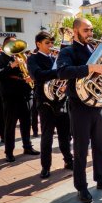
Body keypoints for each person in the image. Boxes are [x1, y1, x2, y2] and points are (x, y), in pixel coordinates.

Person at [57, 18, 102, 203]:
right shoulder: (67, 51)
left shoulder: (94, 49)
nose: (90, 34)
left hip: (98, 105)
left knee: (101, 146)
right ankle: (82, 187)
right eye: (86, 30)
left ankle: (101, 179)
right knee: (81, 149)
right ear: (75, 31)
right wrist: (89, 68)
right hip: (79, 107)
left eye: (91, 30)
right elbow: (62, 72)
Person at [27, 31, 73, 178]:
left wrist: (64, 81)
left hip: (60, 100)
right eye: (47, 43)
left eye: (52, 43)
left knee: (64, 135)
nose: (51, 46)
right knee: (47, 136)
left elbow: (64, 76)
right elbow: (37, 75)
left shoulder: (55, 58)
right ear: (38, 44)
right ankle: (45, 167)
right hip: (45, 102)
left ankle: (68, 160)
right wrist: (58, 73)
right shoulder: (33, 59)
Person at [0, 36, 39, 162]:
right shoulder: (1, 58)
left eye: (16, 43)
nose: (15, 46)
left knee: (26, 123)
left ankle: (27, 146)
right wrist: (12, 66)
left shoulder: (22, 57)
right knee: (10, 125)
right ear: (5, 45)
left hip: (25, 94)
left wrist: (27, 67)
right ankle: (9, 151)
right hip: (10, 96)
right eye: (12, 44)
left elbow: (28, 73)